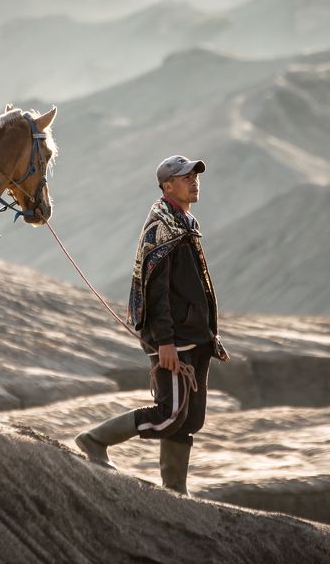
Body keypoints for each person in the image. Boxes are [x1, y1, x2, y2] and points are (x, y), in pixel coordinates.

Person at [75, 154, 229, 495]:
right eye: (186, 176)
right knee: (170, 413)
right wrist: (165, 343)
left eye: (195, 176)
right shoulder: (161, 228)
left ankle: (175, 491)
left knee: (190, 419)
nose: (194, 181)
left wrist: (206, 333)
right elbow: (155, 292)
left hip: (195, 337)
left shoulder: (184, 224)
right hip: (174, 339)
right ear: (167, 185)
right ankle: (94, 439)